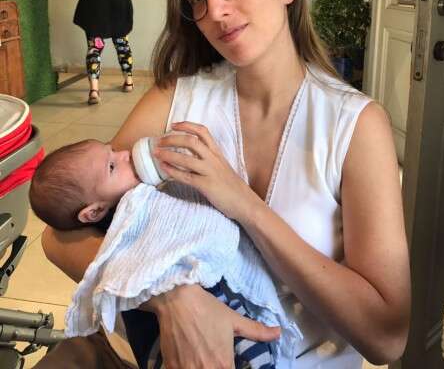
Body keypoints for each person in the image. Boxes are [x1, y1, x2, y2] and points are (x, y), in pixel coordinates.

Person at [41, 0, 411, 369]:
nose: (215, 9)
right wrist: (172, 297)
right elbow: (59, 236)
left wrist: (243, 203)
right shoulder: (174, 99)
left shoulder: (355, 126)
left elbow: (386, 338)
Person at [29, 138, 301, 368]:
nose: (125, 154)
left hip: (222, 302)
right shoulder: (121, 224)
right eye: (112, 165)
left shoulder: (136, 190)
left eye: (114, 151)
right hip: (160, 336)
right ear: (94, 212)